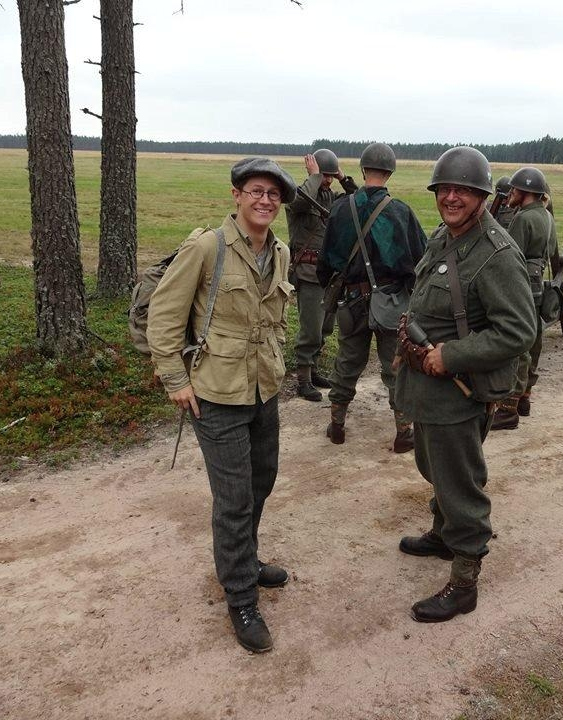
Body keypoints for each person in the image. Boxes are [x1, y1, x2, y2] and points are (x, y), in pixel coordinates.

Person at [147, 158, 297, 654]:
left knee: (261, 481)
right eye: (256, 191)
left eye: (273, 195)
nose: (265, 201)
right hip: (215, 394)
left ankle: (245, 559)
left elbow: (275, 319)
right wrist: (175, 379)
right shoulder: (207, 247)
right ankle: (241, 598)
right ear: (236, 195)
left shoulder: (279, 251)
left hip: (262, 388)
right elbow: (164, 314)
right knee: (233, 499)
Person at [395, 147, 537, 622]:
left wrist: (450, 355)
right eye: (444, 189)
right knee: (433, 466)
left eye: (463, 190)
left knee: (461, 486)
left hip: (458, 390)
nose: (451, 197)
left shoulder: (497, 254)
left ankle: (464, 583)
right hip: (427, 387)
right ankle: (443, 534)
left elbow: (518, 331)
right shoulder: (445, 237)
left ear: (482, 196)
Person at [316, 142, 427, 452]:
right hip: (391, 302)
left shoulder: (341, 208)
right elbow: (420, 259)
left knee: (347, 361)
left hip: (351, 300)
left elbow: (326, 261)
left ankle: (337, 426)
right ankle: (403, 432)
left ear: (363, 169)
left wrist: (334, 289)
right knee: (396, 364)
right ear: (390, 172)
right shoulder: (400, 211)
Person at [286, 148, 358, 401]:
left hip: (329, 273)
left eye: (329, 176)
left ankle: (314, 370)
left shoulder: (331, 197)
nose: (327, 180)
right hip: (308, 273)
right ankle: (303, 380)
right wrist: (314, 176)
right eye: (324, 175)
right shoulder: (300, 194)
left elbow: (358, 201)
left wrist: (342, 178)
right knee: (311, 330)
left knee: (325, 327)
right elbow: (300, 202)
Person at [491, 166, 554, 430]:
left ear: (526, 191)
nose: (511, 194)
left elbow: (510, 256)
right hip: (538, 283)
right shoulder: (546, 216)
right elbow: (551, 250)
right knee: (534, 337)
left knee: (518, 343)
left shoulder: (522, 218)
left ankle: (508, 408)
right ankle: (525, 397)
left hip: (521, 284)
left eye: (515, 189)